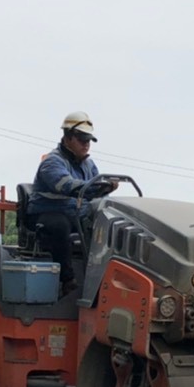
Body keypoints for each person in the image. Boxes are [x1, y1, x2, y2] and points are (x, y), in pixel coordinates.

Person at [29, 111, 116, 298]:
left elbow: (94, 189)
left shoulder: (88, 165)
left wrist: (106, 188)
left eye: (89, 140)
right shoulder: (52, 163)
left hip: (76, 213)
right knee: (59, 225)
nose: (86, 144)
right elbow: (67, 186)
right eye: (82, 139)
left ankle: (105, 278)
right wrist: (99, 186)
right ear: (67, 138)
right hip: (48, 212)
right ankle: (67, 280)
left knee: (108, 223)